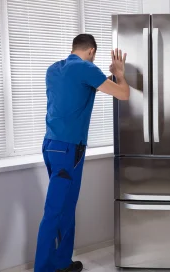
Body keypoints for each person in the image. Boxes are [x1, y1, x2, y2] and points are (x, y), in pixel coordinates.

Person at [34, 34, 129, 272]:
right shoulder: (87, 68)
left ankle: (63, 262)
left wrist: (109, 77)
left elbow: (79, 89)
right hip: (69, 149)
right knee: (55, 210)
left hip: (51, 145)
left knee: (65, 206)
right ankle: (43, 268)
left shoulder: (54, 69)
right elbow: (123, 93)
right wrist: (120, 73)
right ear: (92, 51)